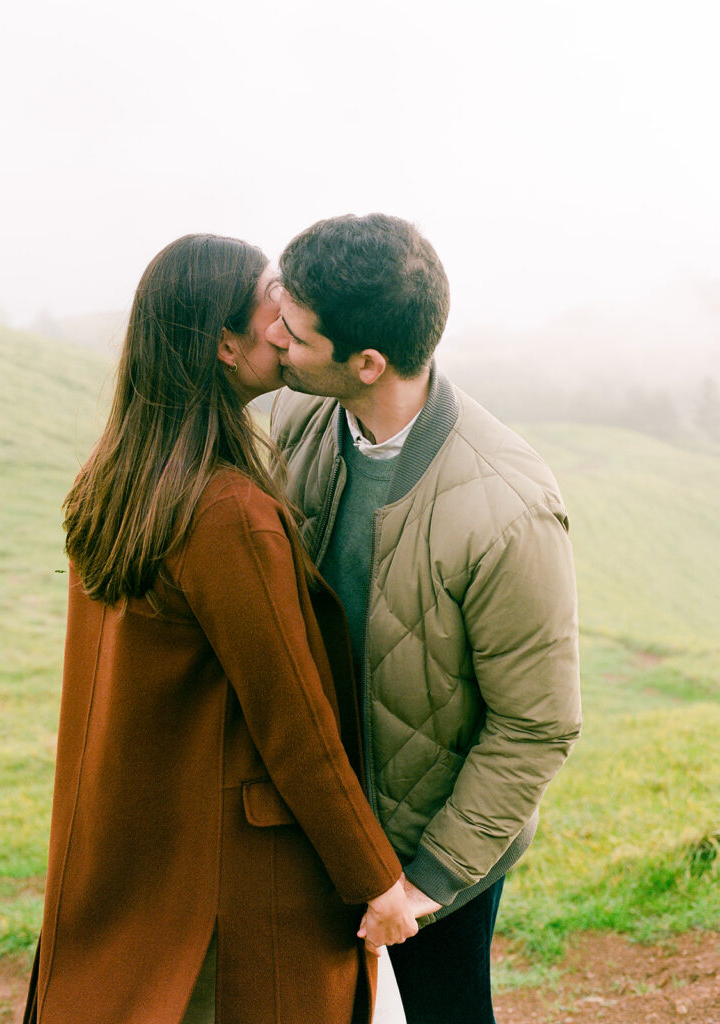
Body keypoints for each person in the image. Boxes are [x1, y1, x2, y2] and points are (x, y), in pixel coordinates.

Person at [23, 233, 419, 1024]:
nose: (289, 316)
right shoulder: (227, 514)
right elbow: (296, 725)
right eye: (273, 295)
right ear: (223, 343)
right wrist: (377, 881)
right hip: (232, 891)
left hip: (133, 863)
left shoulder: (116, 479)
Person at [266, 213, 583, 1024]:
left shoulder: (508, 508)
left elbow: (535, 725)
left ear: (366, 362)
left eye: (296, 333)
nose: (274, 336)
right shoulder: (298, 420)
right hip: (313, 827)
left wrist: (426, 882)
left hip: (438, 850)